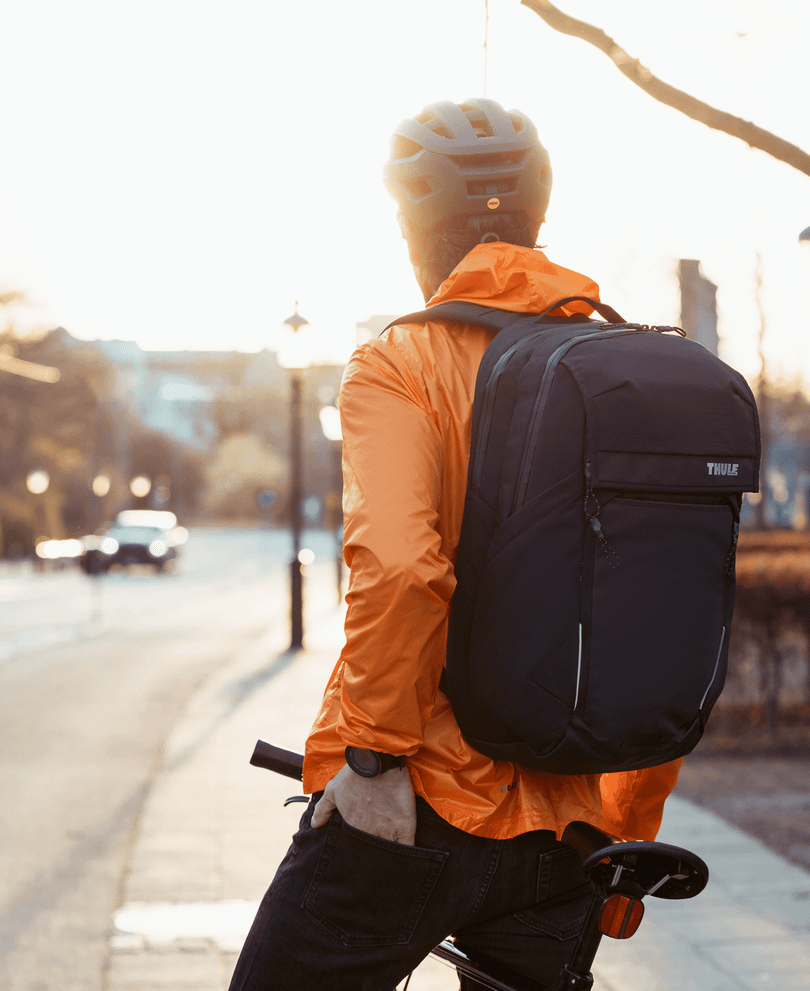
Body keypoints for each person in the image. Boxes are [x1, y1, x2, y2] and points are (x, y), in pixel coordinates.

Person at [229, 98, 681, 991]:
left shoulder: (399, 363)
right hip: (572, 834)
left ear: (409, 224)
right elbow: (658, 628)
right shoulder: (628, 376)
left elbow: (400, 567)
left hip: (415, 808)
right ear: (536, 215)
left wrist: (372, 762)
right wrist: (627, 830)